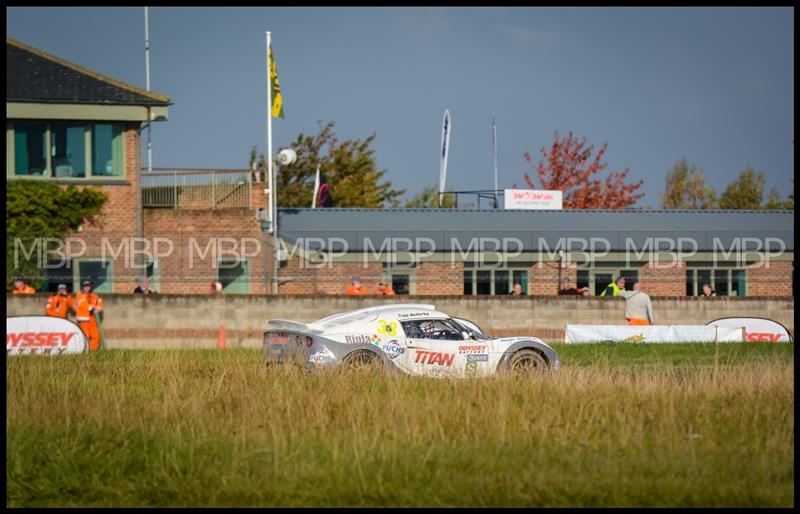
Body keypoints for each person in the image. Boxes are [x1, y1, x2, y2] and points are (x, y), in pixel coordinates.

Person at [74, 280, 104, 351]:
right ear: (83, 287)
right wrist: (92, 308)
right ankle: (84, 351)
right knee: (85, 337)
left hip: (93, 320)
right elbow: (83, 304)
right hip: (83, 320)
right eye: (85, 286)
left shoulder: (96, 296)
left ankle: (92, 351)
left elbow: (100, 304)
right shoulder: (79, 295)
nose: (87, 287)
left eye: (88, 286)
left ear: (91, 287)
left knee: (96, 337)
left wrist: (98, 309)